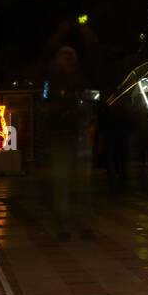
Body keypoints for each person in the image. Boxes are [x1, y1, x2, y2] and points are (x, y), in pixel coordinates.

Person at [44, 45, 94, 241]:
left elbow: (87, 103)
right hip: (62, 135)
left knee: (80, 183)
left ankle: (82, 224)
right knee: (64, 182)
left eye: (70, 58)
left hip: (76, 134)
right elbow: (47, 106)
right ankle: (65, 225)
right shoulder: (54, 82)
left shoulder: (79, 81)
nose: (68, 62)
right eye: (65, 58)